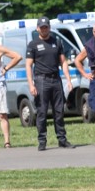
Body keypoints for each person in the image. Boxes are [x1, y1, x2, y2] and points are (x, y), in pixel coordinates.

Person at [26, 17, 74, 151]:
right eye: (41, 27)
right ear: (37, 28)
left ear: (49, 28)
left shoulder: (57, 42)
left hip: (56, 79)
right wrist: (31, 84)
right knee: (41, 112)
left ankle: (62, 139)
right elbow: (29, 65)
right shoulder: (33, 44)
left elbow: (63, 62)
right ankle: (42, 141)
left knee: (59, 111)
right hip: (41, 80)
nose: (44, 29)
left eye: (46, 27)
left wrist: (68, 79)